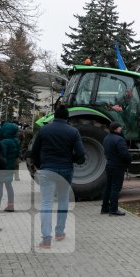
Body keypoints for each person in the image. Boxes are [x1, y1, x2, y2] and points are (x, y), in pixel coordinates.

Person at [31, 105, 86, 249]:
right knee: (63, 201)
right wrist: (72, 159)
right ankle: (60, 232)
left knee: (46, 204)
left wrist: (40, 165)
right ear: (67, 117)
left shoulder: (44, 130)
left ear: (54, 116)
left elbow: (34, 151)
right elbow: (81, 154)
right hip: (66, 170)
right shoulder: (73, 131)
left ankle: (46, 239)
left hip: (47, 169)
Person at [101, 121, 131, 216]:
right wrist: (130, 160)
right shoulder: (119, 139)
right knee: (116, 188)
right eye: (119, 128)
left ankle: (104, 207)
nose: (121, 129)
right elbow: (124, 154)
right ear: (115, 129)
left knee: (108, 187)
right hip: (117, 166)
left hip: (109, 164)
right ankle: (113, 210)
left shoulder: (106, 138)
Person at [0, 122, 20, 213]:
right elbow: (17, 155)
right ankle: (10, 205)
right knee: (9, 185)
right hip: (10, 167)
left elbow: (1, 155)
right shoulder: (16, 140)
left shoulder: (4, 142)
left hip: (3, 167)